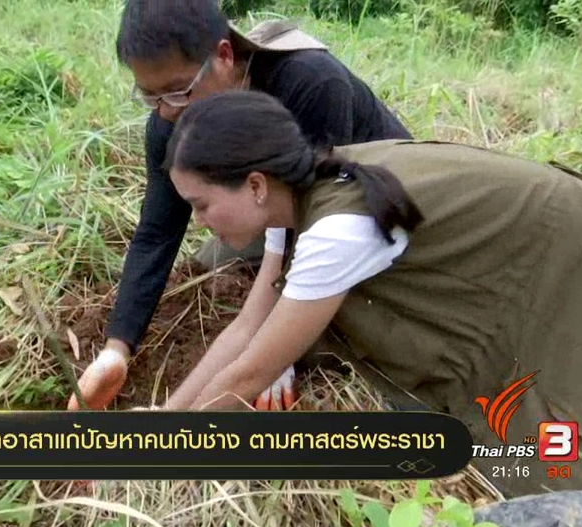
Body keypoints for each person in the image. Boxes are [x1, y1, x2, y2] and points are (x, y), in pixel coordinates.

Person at [153, 88, 582, 498]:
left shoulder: (338, 230)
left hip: (578, 251)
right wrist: (163, 419)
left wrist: (155, 456)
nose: (199, 222)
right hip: (525, 250)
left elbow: (253, 372)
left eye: (201, 204)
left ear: (255, 184)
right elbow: (249, 327)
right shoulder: (293, 200)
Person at [69, 0, 413, 412]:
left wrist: (278, 355)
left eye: (178, 91)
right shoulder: (172, 119)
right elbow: (157, 231)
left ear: (224, 56)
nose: (166, 110)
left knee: (344, 319)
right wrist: (116, 348)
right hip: (283, 215)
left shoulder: (309, 82)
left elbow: (321, 205)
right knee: (217, 261)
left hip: (371, 207)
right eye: (150, 96)